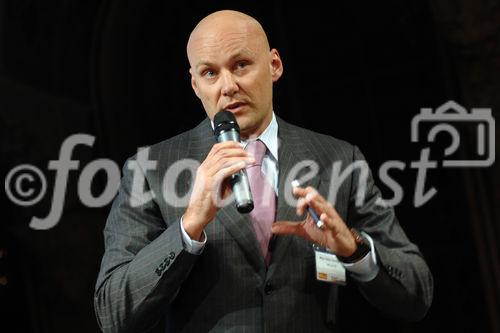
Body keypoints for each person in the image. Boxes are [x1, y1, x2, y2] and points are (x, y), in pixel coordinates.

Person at [94, 10, 433, 332]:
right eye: (210, 73)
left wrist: (354, 247)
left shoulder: (338, 159)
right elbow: (113, 313)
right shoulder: (150, 170)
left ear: (274, 65)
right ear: (195, 84)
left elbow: (416, 293)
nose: (227, 87)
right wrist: (189, 225)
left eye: (241, 65)